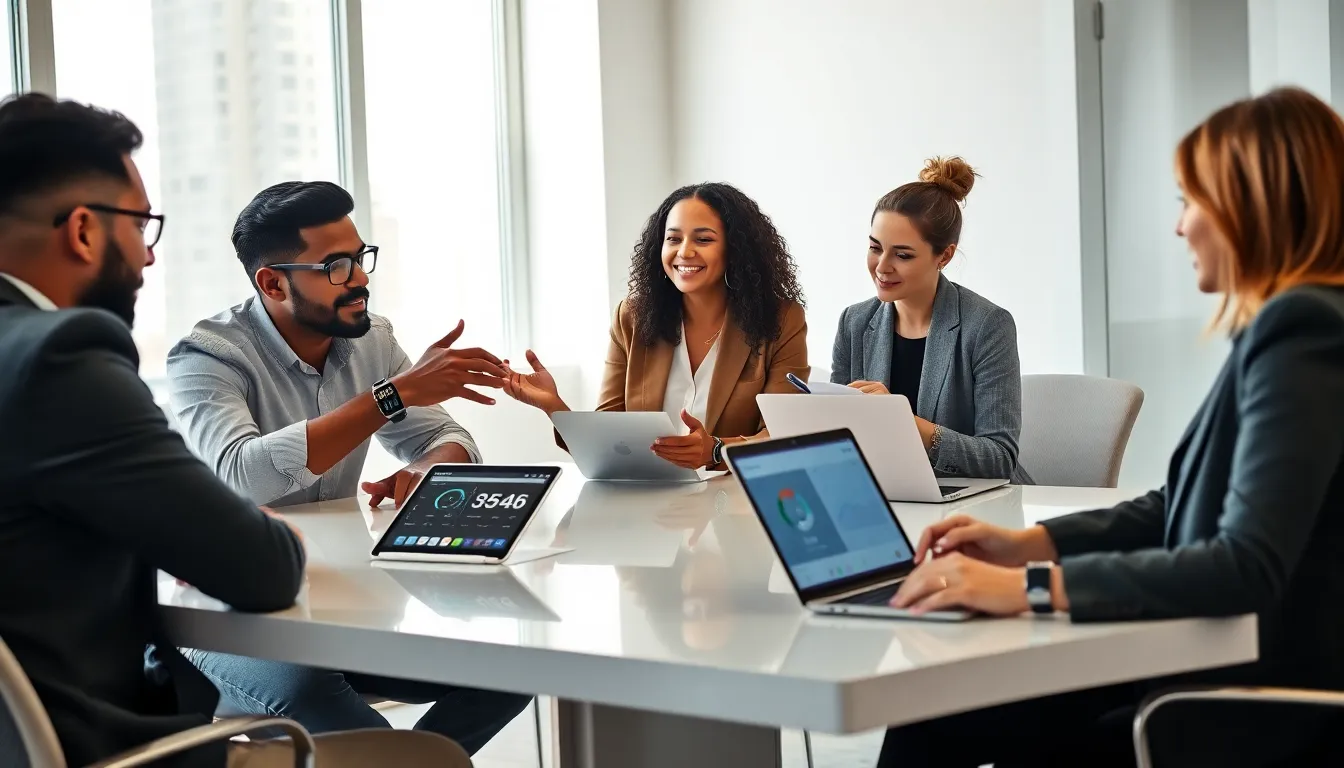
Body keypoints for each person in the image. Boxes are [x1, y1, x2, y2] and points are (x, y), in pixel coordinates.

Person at [875, 87, 1344, 767]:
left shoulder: (1302, 332)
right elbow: (1178, 508)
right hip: (1205, 667)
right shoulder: (1296, 328)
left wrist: (1024, 589)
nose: (1180, 227)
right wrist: (1024, 544)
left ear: (1253, 206)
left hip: (1241, 707)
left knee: (934, 718)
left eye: (1191, 201)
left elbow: (1243, 565)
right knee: (928, 713)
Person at [0, 93, 468, 767]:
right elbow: (263, 565)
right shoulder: (66, 359)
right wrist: (268, 532)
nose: (149, 258)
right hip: (101, 745)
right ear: (83, 231)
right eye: (142, 226)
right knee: (425, 761)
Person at [165, 181, 531, 753]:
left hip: (336, 598)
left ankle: (409, 765)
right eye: (335, 265)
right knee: (366, 739)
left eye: (360, 257)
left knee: (519, 665)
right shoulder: (207, 356)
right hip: (222, 613)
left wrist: (429, 469)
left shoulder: (370, 340)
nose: (360, 277)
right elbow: (242, 473)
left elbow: (445, 435)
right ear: (272, 282)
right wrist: (389, 396)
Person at [503, 182, 809, 470]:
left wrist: (715, 449)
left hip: (732, 499)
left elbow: (784, 435)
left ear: (736, 250)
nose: (684, 252)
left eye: (703, 239)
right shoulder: (632, 317)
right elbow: (608, 439)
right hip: (648, 499)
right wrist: (554, 406)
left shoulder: (781, 319)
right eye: (673, 238)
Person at [831, 157, 1032, 483]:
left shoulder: (987, 326)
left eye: (903, 255)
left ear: (945, 256)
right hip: (889, 495)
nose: (882, 266)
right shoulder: (854, 323)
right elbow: (837, 442)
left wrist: (903, 420)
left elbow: (1000, 460)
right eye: (874, 248)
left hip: (976, 506)